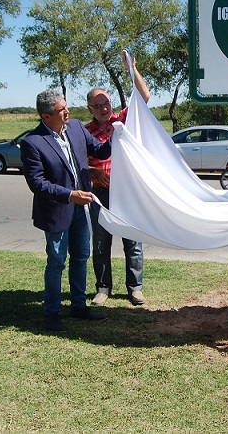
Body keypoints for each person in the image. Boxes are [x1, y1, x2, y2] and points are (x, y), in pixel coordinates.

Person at [20, 90, 112, 332]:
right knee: (57, 262)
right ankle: (52, 313)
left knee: (81, 257)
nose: (67, 112)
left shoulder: (76, 128)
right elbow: (37, 183)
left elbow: (101, 152)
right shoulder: (33, 142)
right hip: (57, 212)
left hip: (80, 211)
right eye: (62, 110)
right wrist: (71, 195)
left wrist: (120, 132)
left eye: (66, 106)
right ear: (46, 116)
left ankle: (78, 307)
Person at [86, 50, 151, 307]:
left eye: (106, 104)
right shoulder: (83, 130)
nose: (103, 109)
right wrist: (92, 172)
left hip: (127, 193)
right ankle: (103, 288)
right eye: (97, 105)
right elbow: (77, 163)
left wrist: (132, 69)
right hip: (100, 195)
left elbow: (144, 97)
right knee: (101, 244)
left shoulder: (122, 120)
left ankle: (135, 288)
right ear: (90, 109)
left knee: (133, 242)